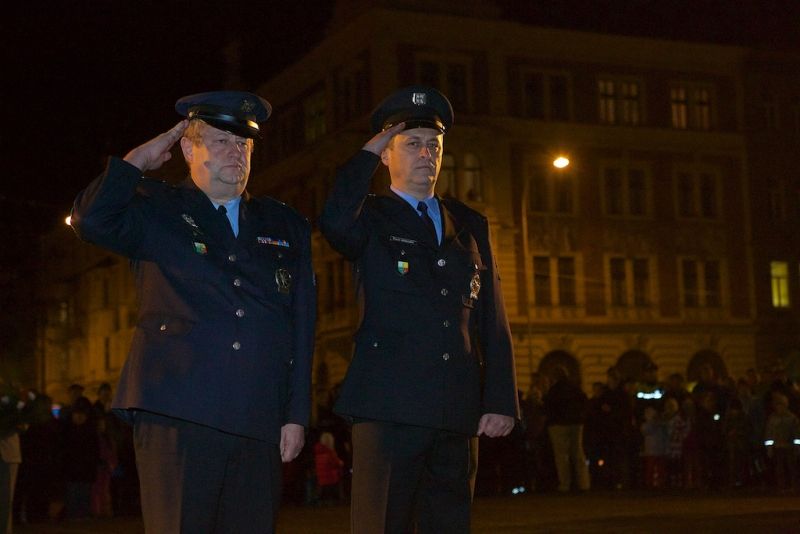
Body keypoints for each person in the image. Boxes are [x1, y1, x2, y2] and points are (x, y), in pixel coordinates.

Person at [70, 90, 316, 533]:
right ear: (188, 148)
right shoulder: (156, 207)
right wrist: (135, 162)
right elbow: (91, 221)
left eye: (243, 144)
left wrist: (296, 412)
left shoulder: (283, 224)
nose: (235, 152)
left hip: (257, 415)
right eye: (221, 140)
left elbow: (301, 324)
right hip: (178, 409)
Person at [320, 85, 518, 533]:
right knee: (382, 523)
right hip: (390, 408)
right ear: (386, 155)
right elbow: (333, 220)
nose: (426, 153)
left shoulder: (468, 223)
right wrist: (368, 150)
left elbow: (491, 314)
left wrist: (500, 399)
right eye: (411, 144)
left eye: (434, 144)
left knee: (448, 523)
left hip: (455, 408)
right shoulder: (368, 216)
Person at [543, 365, 591, 492]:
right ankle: (584, 483)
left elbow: (548, 406)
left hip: (558, 424)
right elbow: (584, 402)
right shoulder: (575, 388)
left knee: (561, 455)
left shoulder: (554, 390)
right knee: (578, 453)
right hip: (576, 423)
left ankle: (565, 484)